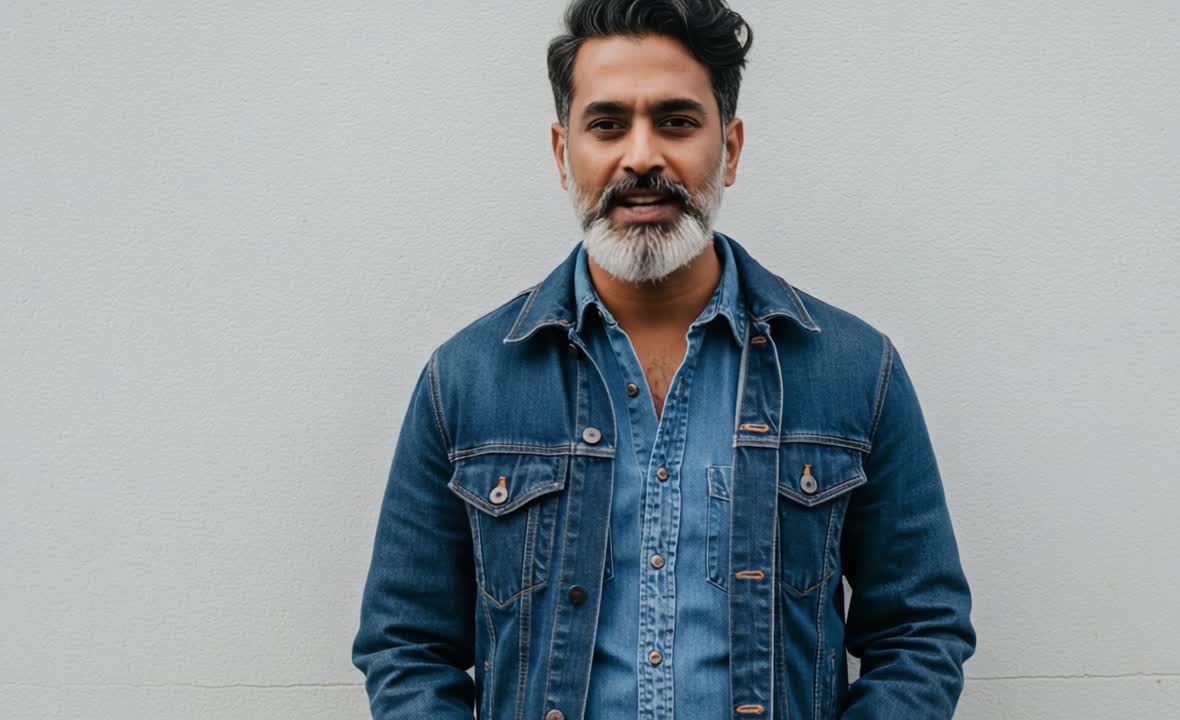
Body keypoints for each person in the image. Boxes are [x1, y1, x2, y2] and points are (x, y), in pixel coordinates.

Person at [351, 1, 976, 718]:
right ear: (563, 153)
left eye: (677, 122)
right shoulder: (464, 380)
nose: (641, 156)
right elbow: (406, 647)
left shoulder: (854, 372)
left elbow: (920, 630)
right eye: (608, 124)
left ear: (730, 149)